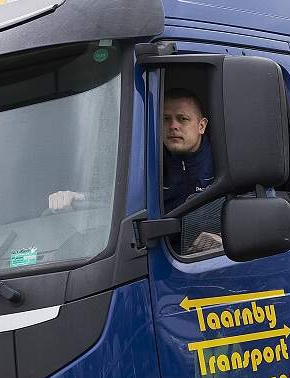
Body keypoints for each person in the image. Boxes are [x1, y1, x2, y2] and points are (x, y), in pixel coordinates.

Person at [47, 87, 219, 254]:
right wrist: (76, 197)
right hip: (158, 257)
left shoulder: (223, 160)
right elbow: (122, 196)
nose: (173, 126)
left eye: (182, 119)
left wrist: (222, 238)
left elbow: (242, 209)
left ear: (201, 126)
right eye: (165, 119)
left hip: (209, 259)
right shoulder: (147, 159)